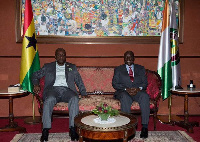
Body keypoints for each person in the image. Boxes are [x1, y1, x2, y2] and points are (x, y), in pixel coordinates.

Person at [32, 48, 88, 141]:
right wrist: (36, 84)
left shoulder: (71, 67)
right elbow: (35, 75)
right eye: (59, 55)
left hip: (67, 90)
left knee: (74, 98)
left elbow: (79, 81)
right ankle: (45, 130)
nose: (61, 56)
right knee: (49, 100)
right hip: (52, 90)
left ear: (65, 56)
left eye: (63, 55)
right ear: (55, 56)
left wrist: (83, 93)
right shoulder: (48, 66)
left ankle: (73, 129)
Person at [112, 51, 149, 138]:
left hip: (137, 91)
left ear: (134, 58)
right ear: (124, 59)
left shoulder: (140, 68)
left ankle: (145, 127)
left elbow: (145, 83)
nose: (128, 59)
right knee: (125, 98)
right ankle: (127, 127)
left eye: (130, 57)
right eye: (126, 57)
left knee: (145, 96)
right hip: (123, 91)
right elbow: (115, 84)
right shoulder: (118, 69)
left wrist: (138, 88)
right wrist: (126, 89)